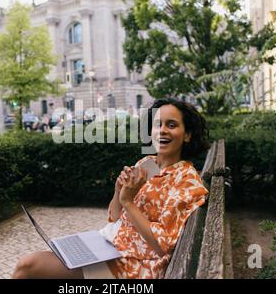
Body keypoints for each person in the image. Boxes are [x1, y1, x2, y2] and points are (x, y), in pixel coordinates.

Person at [11, 98, 210, 279]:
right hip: (110, 247)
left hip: (134, 266)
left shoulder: (187, 182)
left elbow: (161, 245)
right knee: (35, 263)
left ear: (187, 135)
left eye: (172, 125)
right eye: (158, 124)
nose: (162, 130)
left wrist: (128, 201)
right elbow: (116, 217)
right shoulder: (147, 163)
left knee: (29, 266)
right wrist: (119, 191)